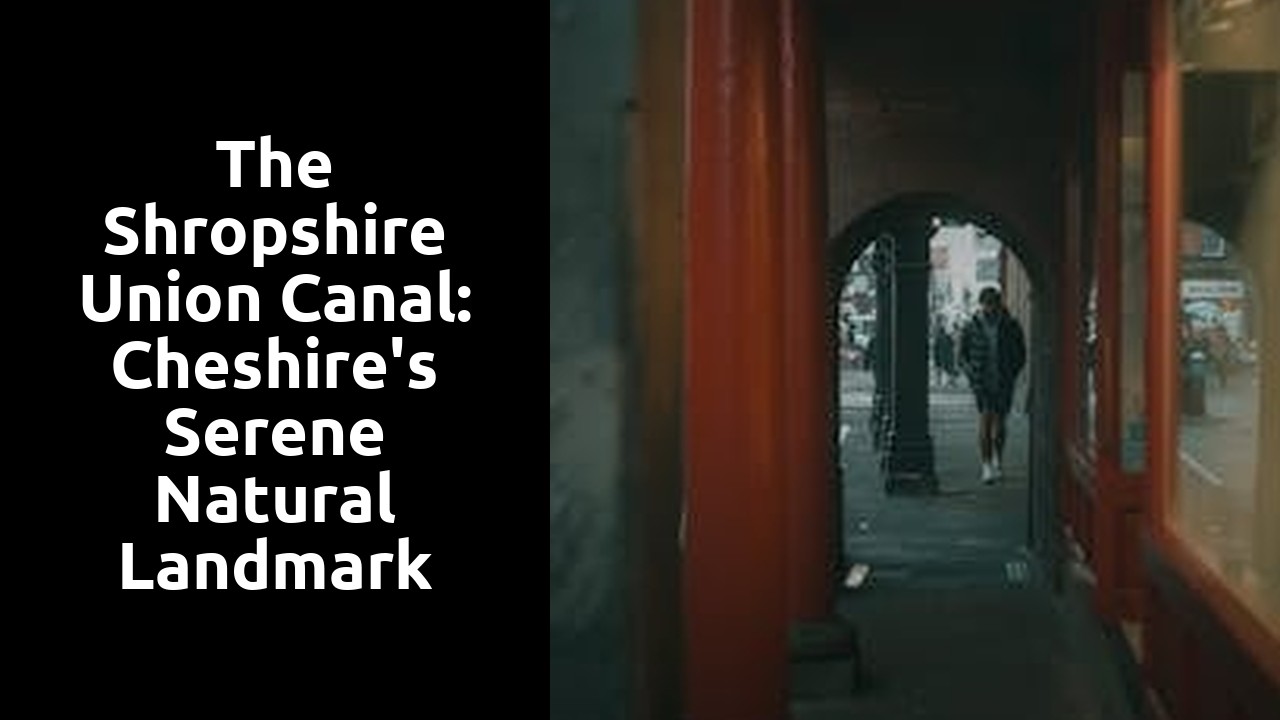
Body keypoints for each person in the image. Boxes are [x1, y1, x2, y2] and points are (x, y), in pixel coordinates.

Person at [959, 287, 1027, 484]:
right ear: (981, 305)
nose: (989, 308)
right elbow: (962, 354)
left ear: (999, 305)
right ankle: (986, 465)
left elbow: (1021, 352)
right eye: (986, 304)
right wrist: (971, 373)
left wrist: (1012, 372)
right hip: (982, 382)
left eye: (993, 304)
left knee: (1001, 424)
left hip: (1004, 381)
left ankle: (998, 459)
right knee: (986, 420)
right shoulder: (971, 326)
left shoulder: (1011, 325)